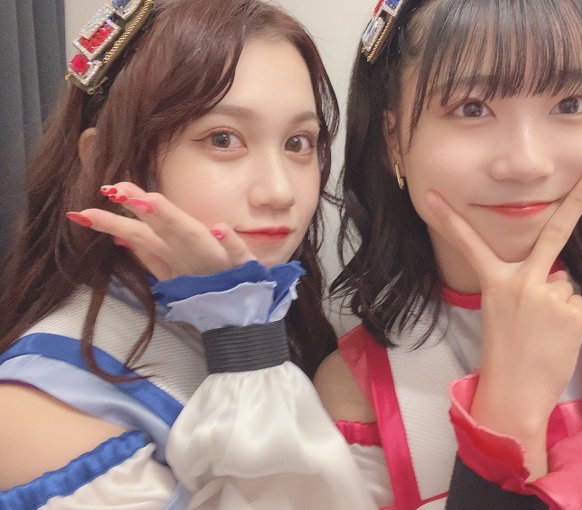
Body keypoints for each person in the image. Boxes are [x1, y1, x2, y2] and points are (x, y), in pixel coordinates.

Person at [0, 0, 377, 508]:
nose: (280, 191)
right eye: (223, 139)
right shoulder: (39, 409)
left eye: (298, 142)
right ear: (103, 160)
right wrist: (244, 344)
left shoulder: (281, 312)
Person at [314, 0, 582, 508]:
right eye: (472, 108)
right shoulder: (359, 395)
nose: (527, 163)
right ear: (393, 141)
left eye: (570, 104)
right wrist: (510, 410)